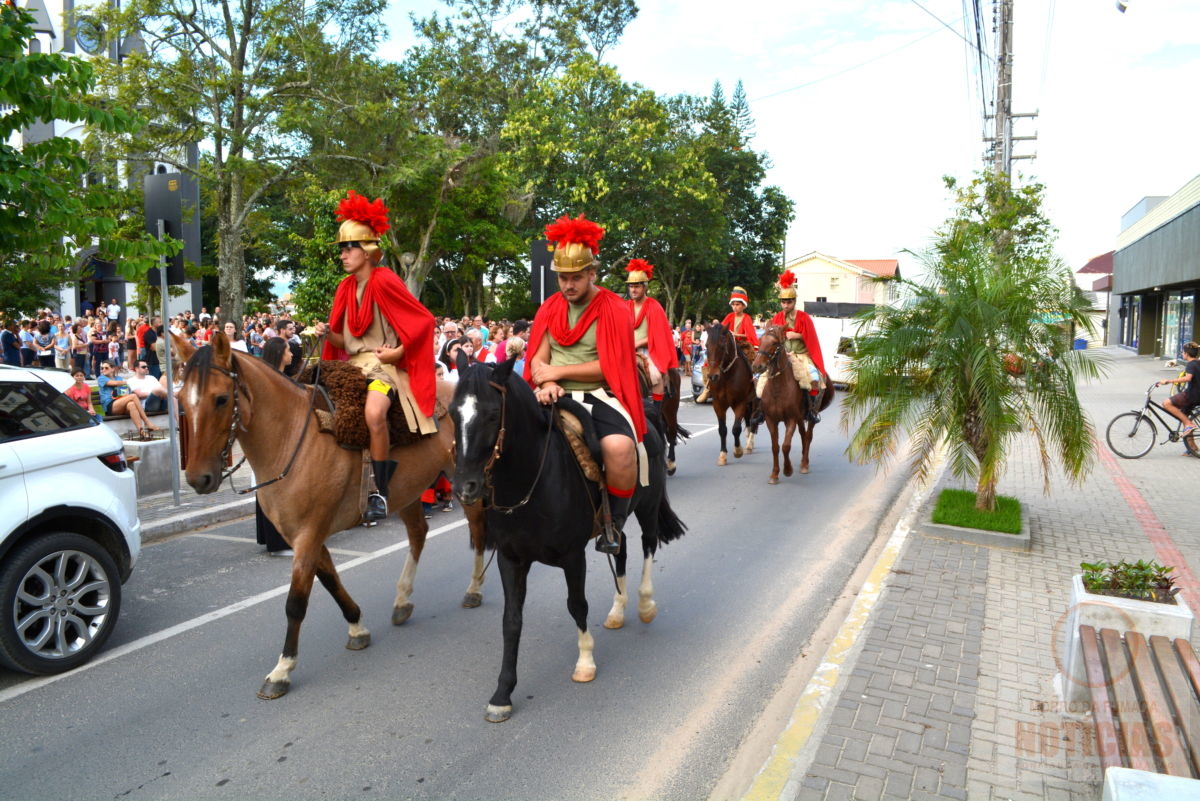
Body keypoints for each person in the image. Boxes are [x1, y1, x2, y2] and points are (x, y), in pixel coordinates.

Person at [525, 214, 646, 554]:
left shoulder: (613, 308)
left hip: (599, 394)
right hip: (550, 392)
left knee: (620, 449)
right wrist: (543, 380)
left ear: (592, 273)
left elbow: (612, 366)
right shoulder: (549, 307)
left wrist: (556, 374)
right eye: (562, 278)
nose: (567, 285)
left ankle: (614, 523)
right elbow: (537, 357)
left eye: (575, 277)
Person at [314, 190, 437, 523]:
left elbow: (423, 321)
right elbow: (345, 339)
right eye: (341, 247)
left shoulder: (385, 281)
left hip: (382, 368)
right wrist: (326, 332)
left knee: (374, 414)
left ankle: (380, 490)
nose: (343, 254)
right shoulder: (344, 288)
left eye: (349, 247)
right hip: (352, 365)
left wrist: (396, 352)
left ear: (367, 251)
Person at [764, 269, 827, 423]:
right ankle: (761, 410)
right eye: (783, 302)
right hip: (784, 355)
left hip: (802, 355)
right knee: (761, 378)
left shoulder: (804, 318)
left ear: (794, 301)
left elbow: (812, 337)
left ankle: (810, 411)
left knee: (812, 377)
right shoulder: (777, 317)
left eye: (789, 302)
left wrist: (798, 335)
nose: (786, 305)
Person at [625, 258, 678, 422]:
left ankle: (656, 412)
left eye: (637, 286)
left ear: (645, 287)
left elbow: (658, 335)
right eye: (631, 286)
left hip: (649, 350)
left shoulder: (654, 306)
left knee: (655, 376)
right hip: (627, 349)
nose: (633, 290)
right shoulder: (625, 306)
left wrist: (637, 344)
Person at [255, 337, 294, 555]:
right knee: (276, 489)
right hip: (274, 443)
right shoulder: (271, 380)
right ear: (280, 353)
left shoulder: (279, 378)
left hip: (278, 441)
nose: (292, 354)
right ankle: (278, 543)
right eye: (288, 350)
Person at [97, 360, 158, 434]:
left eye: (106, 368)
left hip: (120, 403)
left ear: (113, 369)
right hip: (109, 405)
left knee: (131, 404)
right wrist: (129, 382)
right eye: (102, 368)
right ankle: (147, 422)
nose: (103, 370)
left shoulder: (119, 378)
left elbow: (123, 391)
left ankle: (141, 431)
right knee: (133, 396)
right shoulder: (101, 378)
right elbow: (114, 383)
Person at [1158, 341, 1200, 435]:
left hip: (1192, 395)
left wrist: (1169, 381)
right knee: (1184, 418)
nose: (1182, 353)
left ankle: (1189, 423)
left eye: (1183, 352)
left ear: (1187, 353)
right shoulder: (1198, 362)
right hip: (1197, 395)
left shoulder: (1191, 364)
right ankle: (1192, 448)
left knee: (1166, 403)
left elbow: (1188, 378)